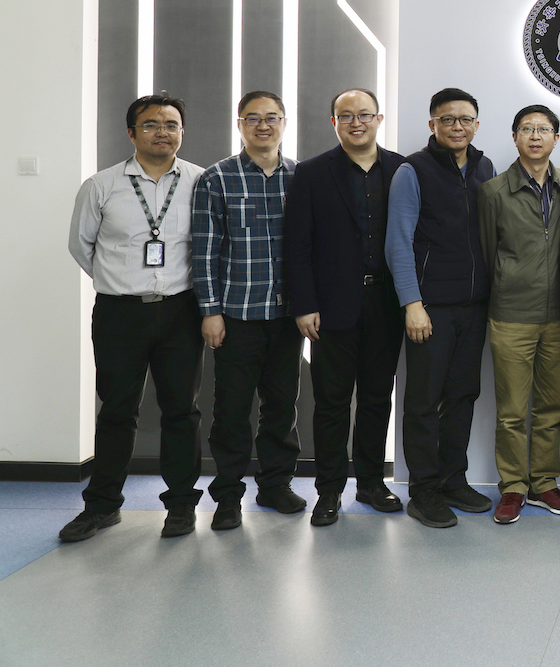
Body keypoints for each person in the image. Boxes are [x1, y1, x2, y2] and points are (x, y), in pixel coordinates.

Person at [62, 95, 206, 542]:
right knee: (117, 410)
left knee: (181, 411)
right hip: (119, 313)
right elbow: (81, 245)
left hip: (181, 311)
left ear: (182, 132)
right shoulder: (101, 185)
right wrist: (119, 280)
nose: (162, 132)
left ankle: (181, 505)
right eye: (150, 125)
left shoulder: (201, 182)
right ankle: (102, 506)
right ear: (131, 133)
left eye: (171, 124)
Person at [283, 88, 406, 527]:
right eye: (346, 116)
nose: (357, 123)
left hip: (387, 303)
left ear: (379, 119)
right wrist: (304, 305)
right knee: (332, 402)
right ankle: (329, 490)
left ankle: (371, 483)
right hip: (331, 307)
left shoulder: (402, 170)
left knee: (376, 398)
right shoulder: (312, 172)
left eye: (365, 115)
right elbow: (297, 244)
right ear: (334, 122)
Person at [386, 87, 497, 529]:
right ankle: (424, 491)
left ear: (476, 125)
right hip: (429, 307)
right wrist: (412, 303)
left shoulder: (485, 168)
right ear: (432, 124)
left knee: (463, 396)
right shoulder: (412, 170)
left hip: (474, 306)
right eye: (447, 119)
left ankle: (454, 480)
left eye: (465, 119)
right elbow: (398, 242)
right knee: (423, 401)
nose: (457, 126)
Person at [192, 90, 303, 531]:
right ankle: (227, 496)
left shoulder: (301, 177)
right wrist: (210, 310)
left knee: (282, 406)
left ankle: (275, 485)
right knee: (232, 410)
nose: (263, 125)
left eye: (272, 117)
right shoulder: (216, 178)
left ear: (284, 123)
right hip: (236, 315)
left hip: (287, 316)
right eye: (253, 118)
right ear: (239, 125)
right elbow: (204, 251)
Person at [477, 104, 560, 525]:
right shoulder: (493, 192)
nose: (535, 136)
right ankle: (514, 486)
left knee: (552, 407)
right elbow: (487, 253)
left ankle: (544, 483)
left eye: (543, 129)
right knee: (512, 411)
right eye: (527, 128)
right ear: (515, 137)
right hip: (511, 316)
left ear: (556, 137)